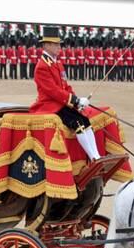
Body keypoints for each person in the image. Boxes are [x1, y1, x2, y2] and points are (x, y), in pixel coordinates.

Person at [30, 26, 100, 161]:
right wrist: (75, 101)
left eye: (59, 44)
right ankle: (93, 158)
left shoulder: (57, 63)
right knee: (78, 123)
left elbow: (65, 86)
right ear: (46, 45)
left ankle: (96, 155)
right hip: (50, 105)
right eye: (56, 44)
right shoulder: (42, 66)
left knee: (85, 120)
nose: (59, 47)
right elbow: (53, 92)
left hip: (61, 103)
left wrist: (77, 101)